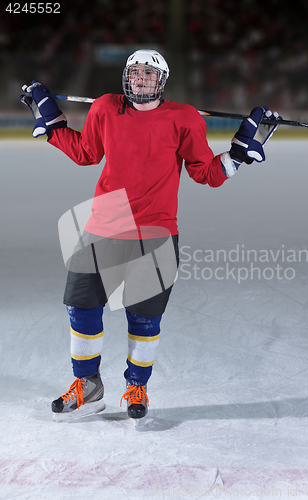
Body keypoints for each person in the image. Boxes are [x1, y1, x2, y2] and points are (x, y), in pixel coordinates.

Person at [20, 49, 281, 421]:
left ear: (162, 81)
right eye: (134, 72)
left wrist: (238, 154)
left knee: (144, 318)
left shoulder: (184, 117)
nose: (140, 77)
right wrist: (52, 120)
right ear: (126, 77)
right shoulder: (106, 108)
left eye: (148, 73)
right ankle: (88, 386)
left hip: (156, 230)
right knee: (81, 307)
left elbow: (204, 172)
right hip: (104, 224)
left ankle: (136, 386)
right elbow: (86, 153)